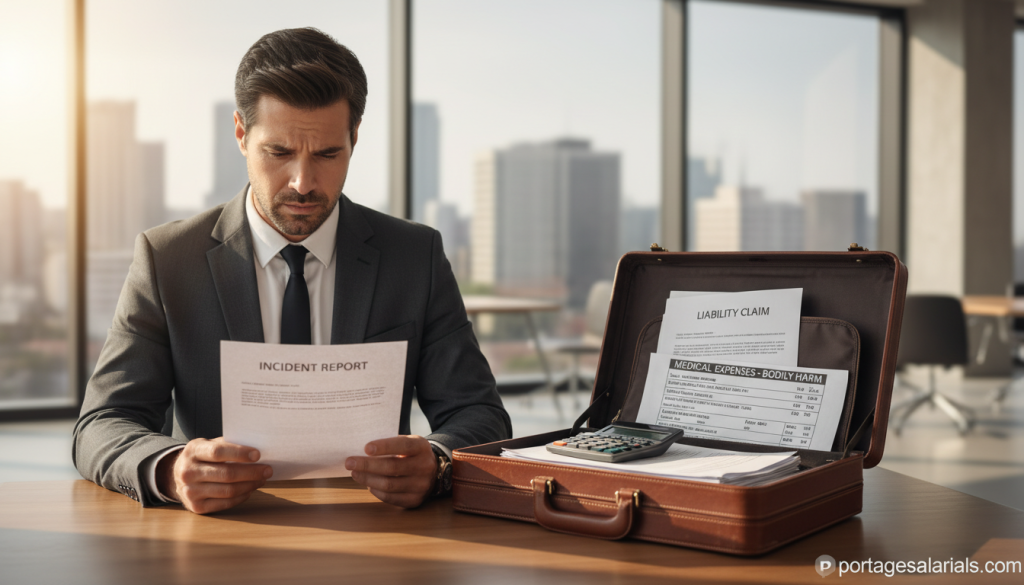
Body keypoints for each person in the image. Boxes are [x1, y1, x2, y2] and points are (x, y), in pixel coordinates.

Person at [72, 27, 511, 514]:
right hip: (222, 533)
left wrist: (438, 460)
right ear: (241, 134)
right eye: (279, 153)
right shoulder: (168, 259)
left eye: (327, 154)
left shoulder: (414, 257)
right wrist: (172, 469)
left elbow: (479, 414)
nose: (303, 183)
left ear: (354, 138)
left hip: (380, 527)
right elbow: (101, 424)